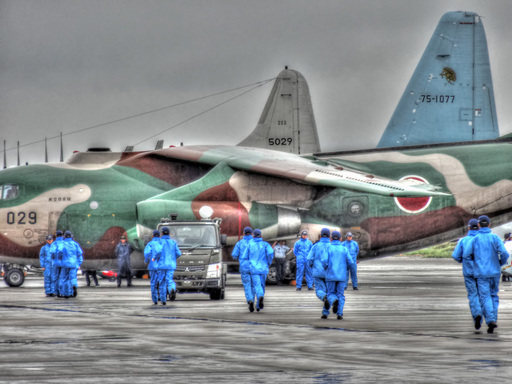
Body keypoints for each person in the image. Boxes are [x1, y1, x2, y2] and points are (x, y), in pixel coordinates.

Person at [463, 215, 509, 333]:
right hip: (495, 272)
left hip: (481, 273)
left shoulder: (474, 239)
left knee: (485, 296)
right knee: (494, 295)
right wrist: (500, 263)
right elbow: (504, 253)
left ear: (478, 225)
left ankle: (490, 320)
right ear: (489, 225)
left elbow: (466, 255)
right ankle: (493, 319)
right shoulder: (495, 238)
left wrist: (475, 265)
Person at [452, 219, 483, 330]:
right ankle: (487, 317)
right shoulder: (483, 240)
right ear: (479, 227)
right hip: (483, 272)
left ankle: (477, 315)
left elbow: (456, 256)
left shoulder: (463, 240)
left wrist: (463, 261)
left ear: (468, 228)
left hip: (469, 272)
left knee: (473, 295)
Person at [243, 229, 274, 311]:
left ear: (253, 235)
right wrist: (269, 262)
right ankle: (258, 305)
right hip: (263, 268)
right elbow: (270, 253)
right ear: (261, 235)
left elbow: (245, 257)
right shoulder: (265, 244)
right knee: (262, 285)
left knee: (256, 285)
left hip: (253, 269)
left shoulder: (250, 244)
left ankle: (259, 297)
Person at [325, 231, 351, 320]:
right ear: (340, 239)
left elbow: (324, 261)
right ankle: (339, 314)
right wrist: (345, 269)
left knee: (330, 293)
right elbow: (350, 262)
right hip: (342, 276)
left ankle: (333, 300)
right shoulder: (344, 249)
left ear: (331, 239)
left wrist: (327, 268)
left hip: (331, 275)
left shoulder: (328, 248)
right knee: (341, 294)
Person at [306, 228, 332, 319]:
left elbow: (309, 259)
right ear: (329, 236)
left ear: (320, 236)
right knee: (330, 292)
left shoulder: (315, 246)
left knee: (319, 291)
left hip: (317, 272)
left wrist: (312, 266)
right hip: (329, 273)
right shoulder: (332, 246)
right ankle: (325, 312)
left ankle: (324, 298)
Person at [155, 226, 181, 305]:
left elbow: (157, 253)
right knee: (169, 280)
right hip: (171, 265)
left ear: (161, 233)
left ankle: (163, 300)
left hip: (161, 265)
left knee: (162, 281)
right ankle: (172, 289)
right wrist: (173, 258)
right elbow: (178, 253)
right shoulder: (173, 242)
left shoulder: (159, 242)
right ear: (169, 234)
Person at [232, 227, 255, 311]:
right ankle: (253, 298)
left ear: (243, 233)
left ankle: (250, 300)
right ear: (252, 233)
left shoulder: (240, 243)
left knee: (247, 285)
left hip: (244, 267)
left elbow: (234, 255)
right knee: (253, 285)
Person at [60, 230, 82, 298]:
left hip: (65, 264)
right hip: (73, 264)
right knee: (73, 277)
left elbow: (59, 253)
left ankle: (66, 294)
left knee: (64, 278)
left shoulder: (62, 244)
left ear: (64, 236)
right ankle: (74, 285)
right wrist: (78, 264)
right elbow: (80, 253)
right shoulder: (75, 244)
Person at [144, 230, 163, 304]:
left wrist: (146, 261)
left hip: (152, 266)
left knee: (153, 283)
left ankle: (155, 300)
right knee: (162, 282)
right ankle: (162, 297)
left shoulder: (150, 244)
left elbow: (146, 253)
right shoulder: (162, 243)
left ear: (152, 236)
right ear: (159, 236)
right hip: (162, 266)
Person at [50, 230, 64, 297]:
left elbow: (52, 253)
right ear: (62, 235)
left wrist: (54, 257)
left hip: (55, 263)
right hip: (63, 262)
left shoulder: (54, 243)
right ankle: (62, 291)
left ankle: (57, 292)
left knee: (55, 278)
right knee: (62, 277)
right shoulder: (64, 243)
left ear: (56, 235)